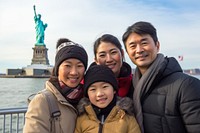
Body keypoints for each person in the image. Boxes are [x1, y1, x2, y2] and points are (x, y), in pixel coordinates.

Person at [122, 21, 200, 133]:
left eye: (144, 43)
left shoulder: (186, 85)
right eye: (133, 46)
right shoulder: (132, 87)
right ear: (127, 53)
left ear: (157, 45)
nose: (139, 50)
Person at [23, 38, 88, 133]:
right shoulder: (42, 101)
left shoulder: (87, 99)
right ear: (57, 69)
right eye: (67, 65)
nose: (74, 72)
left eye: (79, 66)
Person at [75, 65, 141, 133]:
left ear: (114, 90)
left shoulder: (127, 118)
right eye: (93, 89)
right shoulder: (82, 120)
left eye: (104, 87)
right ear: (87, 94)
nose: (99, 94)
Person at [92, 34, 133, 98]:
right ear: (96, 60)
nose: (109, 59)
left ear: (122, 53)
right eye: (102, 55)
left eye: (113, 52)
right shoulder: (85, 87)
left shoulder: (135, 84)